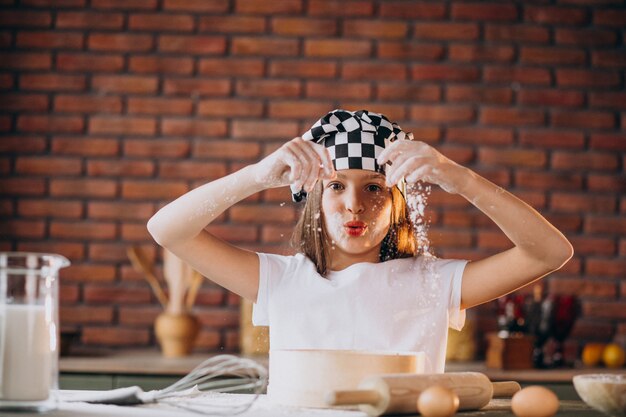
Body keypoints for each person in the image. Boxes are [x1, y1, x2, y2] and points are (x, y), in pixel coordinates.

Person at [147, 109, 573, 372]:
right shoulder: (280, 280)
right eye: (335, 187)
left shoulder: (433, 284)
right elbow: (166, 230)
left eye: (374, 188)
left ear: (397, 203)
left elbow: (551, 253)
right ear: (313, 199)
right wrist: (257, 175)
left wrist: (459, 178)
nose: (355, 205)